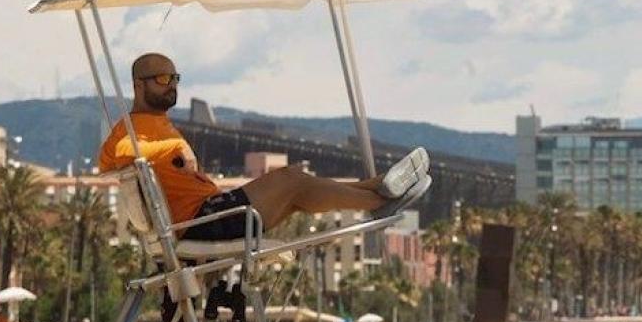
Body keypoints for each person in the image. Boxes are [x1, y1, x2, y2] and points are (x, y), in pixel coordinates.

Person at [97, 52, 430, 241]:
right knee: (292, 179)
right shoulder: (133, 131)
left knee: (299, 194)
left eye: (175, 78)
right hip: (203, 223)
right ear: (138, 85)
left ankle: (379, 188)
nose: (172, 85)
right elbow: (117, 156)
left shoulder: (156, 126)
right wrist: (164, 152)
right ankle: (379, 200)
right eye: (163, 79)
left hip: (213, 214)